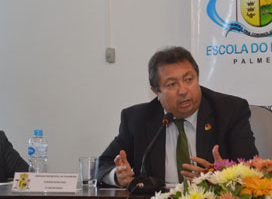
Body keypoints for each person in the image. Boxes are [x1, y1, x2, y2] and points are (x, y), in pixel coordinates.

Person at [98, 46, 258, 187]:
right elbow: (101, 165)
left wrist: (221, 176)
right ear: (156, 92)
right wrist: (118, 176)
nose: (183, 91)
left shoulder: (229, 111)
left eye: (189, 79)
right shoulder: (137, 119)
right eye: (171, 84)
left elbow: (251, 168)